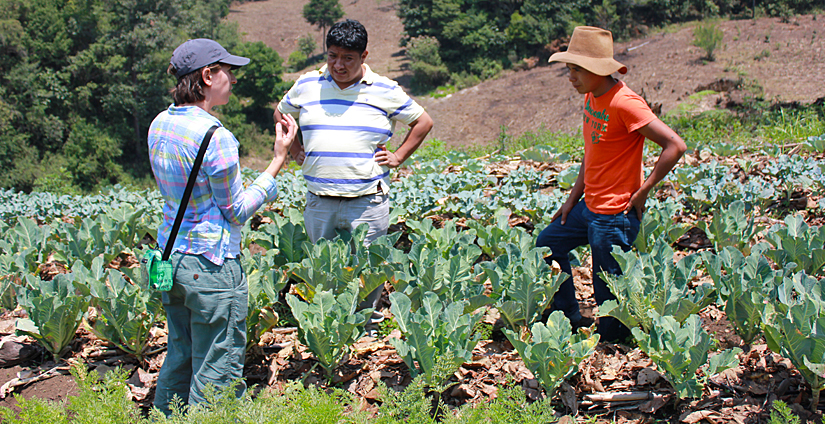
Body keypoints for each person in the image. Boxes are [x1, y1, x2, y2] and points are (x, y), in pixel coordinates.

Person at [148, 38, 297, 415]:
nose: (232, 78)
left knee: (180, 351)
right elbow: (234, 211)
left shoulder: (159, 124)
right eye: (227, 71)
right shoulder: (218, 138)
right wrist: (276, 163)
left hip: (172, 259)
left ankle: (166, 417)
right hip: (211, 265)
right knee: (218, 360)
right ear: (207, 75)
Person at [273, 19, 433, 331]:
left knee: (369, 269)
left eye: (348, 58)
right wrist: (294, 149)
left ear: (364, 56)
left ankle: (367, 330)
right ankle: (330, 329)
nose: (338, 65)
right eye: (332, 56)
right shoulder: (307, 84)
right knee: (324, 270)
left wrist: (398, 155)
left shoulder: (384, 89)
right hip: (320, 200)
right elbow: (281, 113)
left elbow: (423, 122)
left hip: (367, 200)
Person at [538, 26, 687, 342]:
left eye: (577, 69)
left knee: (607, 284)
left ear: (598, 70)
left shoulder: (626, 103)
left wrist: (644, 190)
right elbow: (591, 152)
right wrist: (571, 199)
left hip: (615, 213)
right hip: (588, 206)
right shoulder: (592, 96)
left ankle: (617, 343)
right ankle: (567, 316)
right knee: (548, 244)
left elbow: (675, 145)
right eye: (569, 69)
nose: (571, 77)